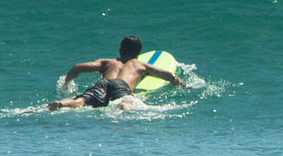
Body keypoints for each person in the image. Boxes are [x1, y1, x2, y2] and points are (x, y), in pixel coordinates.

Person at [48, 35, 187, 110]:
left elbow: (77, 67)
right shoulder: (139, 64)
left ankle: (61, 104)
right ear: (139, 53)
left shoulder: (108, 62)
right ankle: (123, 106)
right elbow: (166, 75)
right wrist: (181, 83)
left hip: (102, 84)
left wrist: (67, 82)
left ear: (120, 50)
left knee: (80, 101)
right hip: (121, 85)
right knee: (126, 101)